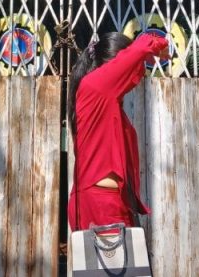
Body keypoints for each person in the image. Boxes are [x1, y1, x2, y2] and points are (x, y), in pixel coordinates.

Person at [67, 30, 170, 231]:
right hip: (102, 206)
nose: (137, 73)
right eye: (132, 66)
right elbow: (142, 45)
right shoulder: (96, 85)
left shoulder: (100, 99)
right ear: (114, 66)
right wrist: (160, 46)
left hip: (104, 203)